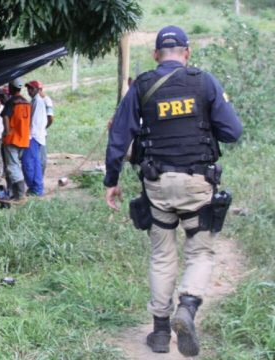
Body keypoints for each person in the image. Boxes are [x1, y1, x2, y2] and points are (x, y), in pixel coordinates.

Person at [103, 26, 243, 356]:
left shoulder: (142, 86)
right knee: (201, 251)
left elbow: (119, 138)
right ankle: (188, 308)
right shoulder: (205, 81)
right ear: (187, 52)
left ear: (155, 55)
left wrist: (112, 181)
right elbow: (232, 132)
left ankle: (161, 333)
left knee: (163, 255)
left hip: (158, 185)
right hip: (197, 184)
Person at [1, 78, 31, 200]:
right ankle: (16, 194)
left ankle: (20, 195)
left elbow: (5, 117)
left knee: (12, 166)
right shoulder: (26, 102)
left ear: (12, 88)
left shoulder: (11, 101)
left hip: (12, 139)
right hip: (24, 139)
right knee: (16, 165)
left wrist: (7, 132)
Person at [23, 80, 46, 196]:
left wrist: (29, 136)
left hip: (33, 136)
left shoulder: (37, 101)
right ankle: (37, 188)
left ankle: (36, 188)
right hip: (36, 136)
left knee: (28, 163)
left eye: (31, 88)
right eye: (28, 88)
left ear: (37, 89)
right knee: (35, 163)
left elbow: (34, 121)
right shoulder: (34, 101)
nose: (29, 91)